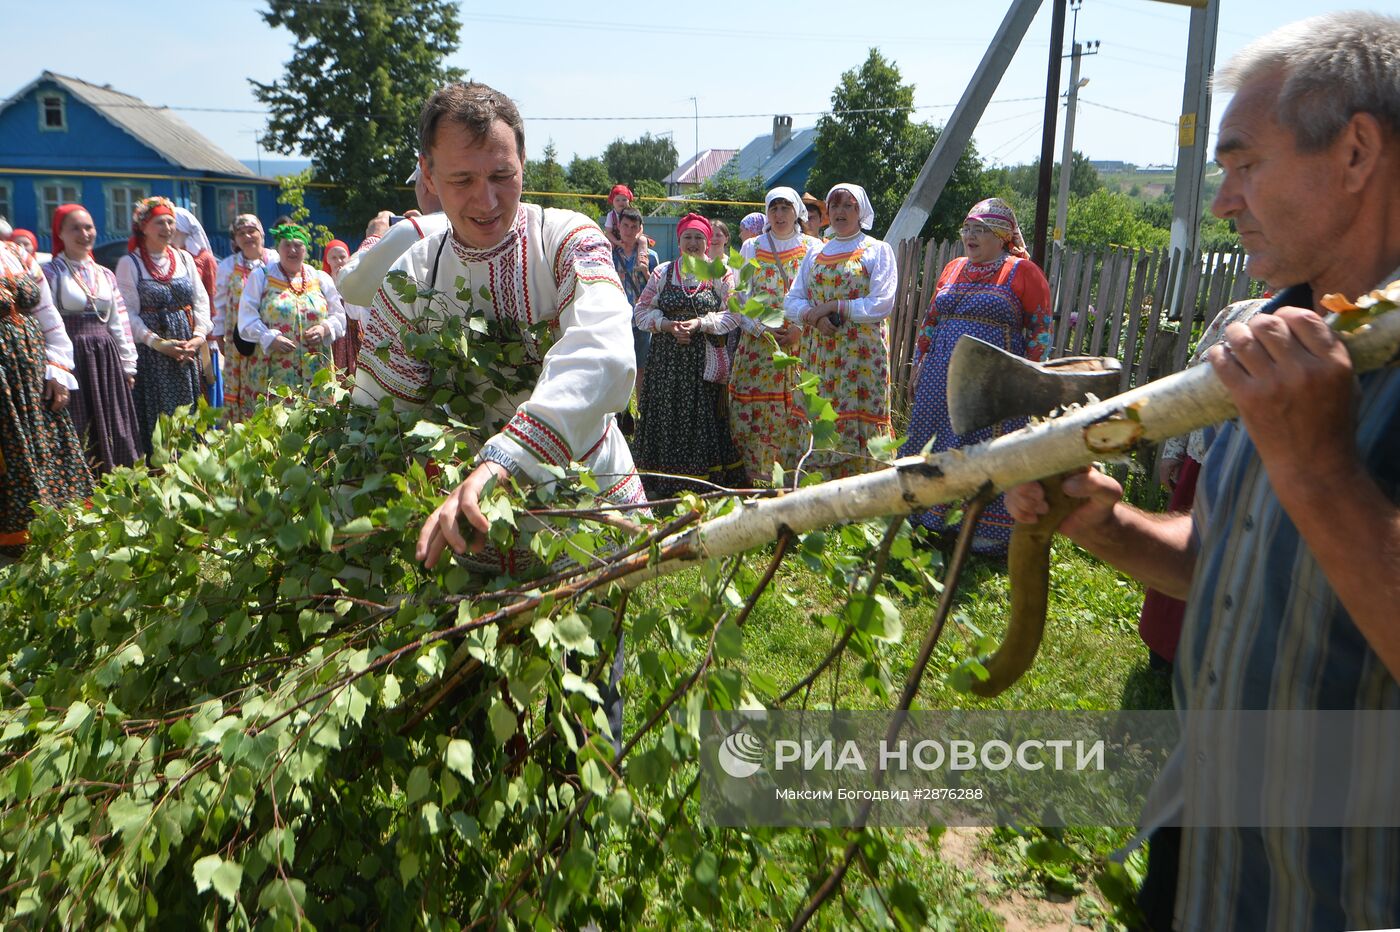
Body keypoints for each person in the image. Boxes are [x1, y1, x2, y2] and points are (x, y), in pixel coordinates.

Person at [1005, 12, 1400, 930]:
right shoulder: (1260, 339)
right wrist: (1109, 528)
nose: (1224, 199)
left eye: (1244, 163)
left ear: (1355, 152)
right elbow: (1233, 566)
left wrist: (1322, 471)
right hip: (1205, 858)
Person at [352, 81, 645, 572]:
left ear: (523, 162)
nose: (486, 201)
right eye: (462, 180)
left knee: (588, 645)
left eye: (502, 175)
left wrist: (505, 459)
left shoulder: (568, 239)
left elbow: (607, 353)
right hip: (474, 532)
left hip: (588, 509)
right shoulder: (410, 279)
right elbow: (378, 415)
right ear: (428, 174)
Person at [901, 197, 1052, 556]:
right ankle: (929, 520)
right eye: (967, 228)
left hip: (993, 382)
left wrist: (1026, 377)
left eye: (980, 230)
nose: (970, 235)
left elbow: (1040, 329)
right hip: (940, 378)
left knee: (985, 449)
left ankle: (987, 531)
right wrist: (919, 361)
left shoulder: (1022, 272)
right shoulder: (953, 268)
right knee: (935, 443)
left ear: (1001, 236)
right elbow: (931, 321)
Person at [1138, 296, 1266, 669]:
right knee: (1187, 554)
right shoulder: (1239, 311)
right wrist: (1174, 447)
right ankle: (1163, 651)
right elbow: (1193, 383)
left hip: (1257, 478)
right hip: (1203, 462)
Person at [783, 183, 896, 478]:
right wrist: (814, 316)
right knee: (821, 412)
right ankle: (815, 490)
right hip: (820, 350)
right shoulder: (815, 253)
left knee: (858, 411)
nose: (840, 211)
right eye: (834, 205)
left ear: (861, 212)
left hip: (860, 355)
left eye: (848, 205)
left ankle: (864, 495)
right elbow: (792, 300)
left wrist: (835, 306)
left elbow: (881, 303)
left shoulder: (877, 250)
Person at [632, 212, 746, 498]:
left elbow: (734, 316)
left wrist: (700, 324)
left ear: (708, 242)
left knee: (700, 416)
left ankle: (700, 483)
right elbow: (641, 311)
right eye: (687, 237)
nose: (693, 243)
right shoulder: (664, 272)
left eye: (699, 237)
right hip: (666, 361)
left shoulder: (721, 273)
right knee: (665, 413)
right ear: (679, 240)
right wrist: (667, 325)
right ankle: (660, 482)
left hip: (701, 360)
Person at [0, 238, 92, 556]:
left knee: (43, 450)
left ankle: (47, 529)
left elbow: (47, 315)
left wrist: (57, 370)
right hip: (4, 383)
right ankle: (14, 538)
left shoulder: (15, 255)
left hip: (32, 377)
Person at [41, 204, 141, 474]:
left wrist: (127, 364)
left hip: (104, 356)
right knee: (78, 422)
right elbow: (44, 324)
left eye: (88, 227)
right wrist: (54, 368)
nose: (84, 233)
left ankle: (116, 485)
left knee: (112, 421)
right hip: (70, 357)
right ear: (60, 233)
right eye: (75, 228)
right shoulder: (50, 273)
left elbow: (118, 321)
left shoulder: (104, 274)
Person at [731, 187, 821, 482]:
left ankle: (793, 475)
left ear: (797, 211)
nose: (780, 214)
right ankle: (756, 478)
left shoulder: (813, 247)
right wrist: (760, 328)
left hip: (798, 346)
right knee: (756, 411)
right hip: (758, 347)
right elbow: (740, 297)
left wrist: (799, 329)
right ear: (767, 213)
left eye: (785, 208)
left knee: (794, 408)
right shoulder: (752, 247)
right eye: (774, 208)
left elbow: (817, 295)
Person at [115, 196, 211, 455]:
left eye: (170, 222)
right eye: (160, 222)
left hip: (187, 350)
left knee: (189, 413)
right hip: (152, 354)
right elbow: (127, 315)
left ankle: (192, 472)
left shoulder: (184, 259)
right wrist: (158, 343)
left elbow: (200, 300)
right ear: (143, 227)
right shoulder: (130, 264)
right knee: (159, 417)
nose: (167, 228)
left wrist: (199, 335)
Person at [237, 222, 346, 408]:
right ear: (278, 248)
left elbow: (339, 315)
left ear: (306, 249)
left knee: (316, 422)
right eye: (286, 244)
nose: (292, 250)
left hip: (316, 369)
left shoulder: (320, 278)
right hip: (273, 368)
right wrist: (269, 337)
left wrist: (324, 328)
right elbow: (246, 319)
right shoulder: (261, 276)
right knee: (275, 424)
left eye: (298, 245)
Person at [337, 165, 449, 307]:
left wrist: (374, 237)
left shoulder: (411, 230)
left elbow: (352, 289)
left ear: (426, 183)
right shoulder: (476, 226)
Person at [213, 214, 276, 421]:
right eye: (241, 233)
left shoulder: (274, 260)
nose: (247, 236)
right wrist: (219, 333)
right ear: (235, 239)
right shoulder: (228, 266)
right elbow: (220, 302)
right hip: (238, 336)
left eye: (252, 231)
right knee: (240, 379)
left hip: (270, 331)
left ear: (261, 234)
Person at [610, 207, 658, 433]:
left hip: (640, 319)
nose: (629, 231)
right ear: (618, 227)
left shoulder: (651, 256)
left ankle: (642, 417)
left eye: (633, 227)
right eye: (625, 226)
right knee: (618, 367)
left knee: (641, 368)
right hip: (616, 318)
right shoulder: (609, 252)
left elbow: (658, 288)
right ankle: (619, 414)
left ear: (640, 229)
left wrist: (644, 271)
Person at [172, 206, 221, 407]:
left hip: (200, 336)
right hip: (175, 333)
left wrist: (209, 338)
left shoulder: (203, 258)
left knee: (203, 390)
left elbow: (210, 297)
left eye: (173, 226)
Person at [321, 238, 361, 375]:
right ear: (327, 260)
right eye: (334, 257)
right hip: (334, 335)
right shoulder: (323, 283)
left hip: (353, 331)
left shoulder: (354, 280)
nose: (338, 261)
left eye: (342, 257)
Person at [601, 183, 633, 251]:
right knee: (608, 245)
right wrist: (617, 242)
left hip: (632, 238)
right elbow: (608, 232)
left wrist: (636, 237)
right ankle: (608, 259)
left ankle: (642, 255)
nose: (621, 202)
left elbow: (640, 227)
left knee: (643, 240)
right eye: (617, 200)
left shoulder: (633, 213)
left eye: (624, 200)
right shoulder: (611, 215)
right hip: (616, 239)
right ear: (612, 202)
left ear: (629, 200)